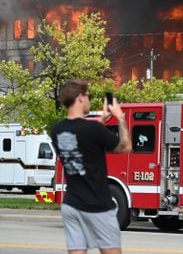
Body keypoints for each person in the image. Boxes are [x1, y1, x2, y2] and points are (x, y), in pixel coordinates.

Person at [50, 80, 132, 254]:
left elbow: (81, 135)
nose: (89, 99)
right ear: (80, 98)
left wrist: (101, 119)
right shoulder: (93, 129)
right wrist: (121, 117)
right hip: (97, 205)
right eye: (88, 96)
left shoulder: (56, 130)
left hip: (71, 205)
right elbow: (125, 147)